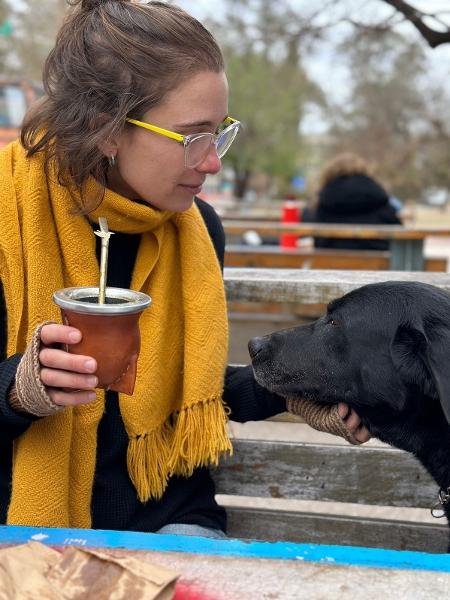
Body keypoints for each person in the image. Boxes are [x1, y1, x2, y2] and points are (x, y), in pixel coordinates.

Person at [0, 0, 370, 538]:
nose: (213, 160)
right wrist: (18, 390)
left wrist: (289, 391)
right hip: (22, 530)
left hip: (170, 521)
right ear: (106, 129)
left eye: (219, 131)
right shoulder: (10, 217)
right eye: (193, 135)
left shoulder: (196, 228)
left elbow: (175, 390)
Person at [306, 152, 402, 250]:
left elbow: (318, 242)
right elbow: (400, 236)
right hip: (379, 263)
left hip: (332, 263)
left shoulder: (323, 202)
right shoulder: (380, 199)